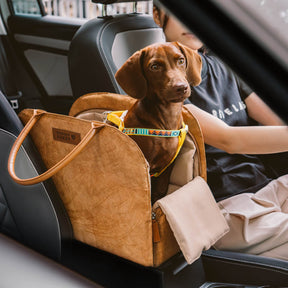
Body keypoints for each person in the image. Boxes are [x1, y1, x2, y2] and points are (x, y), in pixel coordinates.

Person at [153, 5, 288, 260]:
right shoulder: (162, 82)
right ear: (158, 15)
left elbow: (275, 120)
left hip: (267, 187)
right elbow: (229, 140)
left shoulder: (223, 66)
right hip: (226, 208)